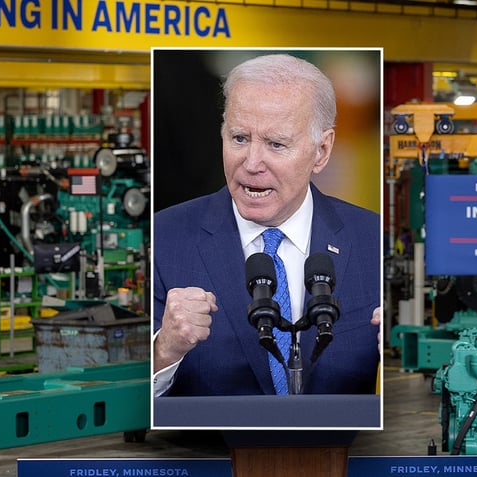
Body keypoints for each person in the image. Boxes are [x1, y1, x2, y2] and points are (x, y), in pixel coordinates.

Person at [152, 52, 381, 398]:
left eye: (276, 144)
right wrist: (162, 352)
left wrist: (395, 360)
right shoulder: (165, 238)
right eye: (240, 138)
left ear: (321, 151)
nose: (252, 163)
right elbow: (128, 409)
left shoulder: (373, 241)